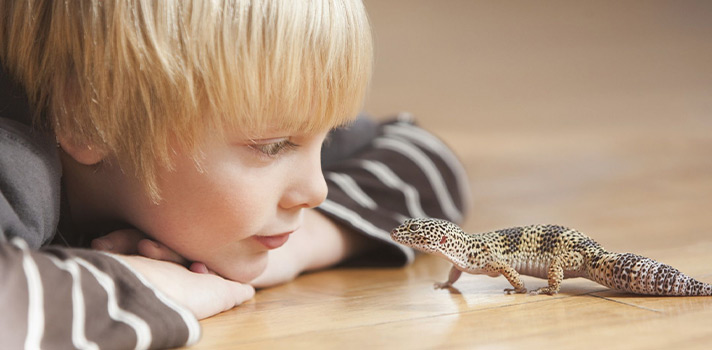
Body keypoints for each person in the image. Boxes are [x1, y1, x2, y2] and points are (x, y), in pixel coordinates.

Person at [0, 0, 470, 348]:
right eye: (272, 146)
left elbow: (426, 157)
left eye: (323, 141)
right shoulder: (14, 159)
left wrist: (303, 245)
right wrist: (144, 283)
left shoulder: (258, 109)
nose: (316, 190)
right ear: (88, 117)